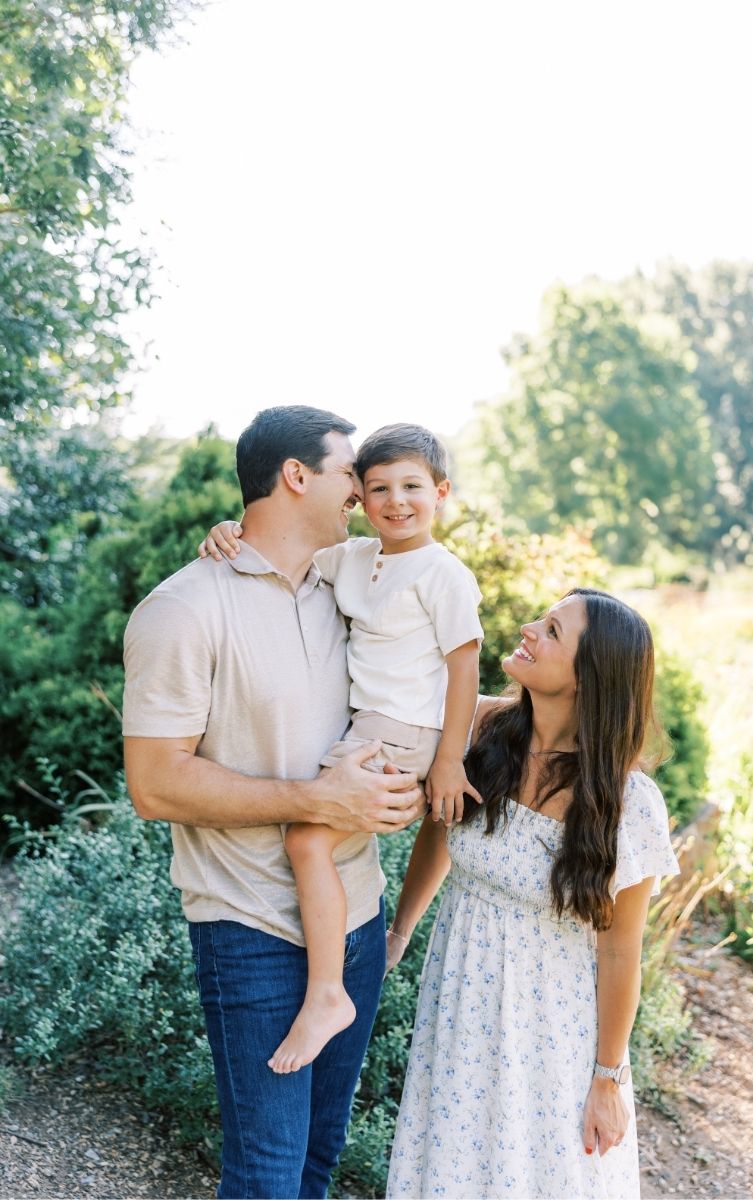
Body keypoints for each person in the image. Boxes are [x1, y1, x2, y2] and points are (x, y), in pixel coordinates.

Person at [123, 405, 426, 1200]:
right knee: (265, 1176)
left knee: (318, 1162)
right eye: (348, 475)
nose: (361, 493)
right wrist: (318, 799)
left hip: (357, 921)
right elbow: (154, 784)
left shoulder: (348, 584)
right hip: (251, 929)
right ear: (296, 477)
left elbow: (427, 674)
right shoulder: (184, 610)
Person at [199, 423, 483, 1075]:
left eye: (412, 486)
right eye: (378, 487)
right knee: (312, 841)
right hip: (366, 726)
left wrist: (449, 759)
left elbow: (465, 668)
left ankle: (328, 996)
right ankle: (338, 969)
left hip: (406, 732)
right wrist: (227, 530)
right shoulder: (355, 558)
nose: (396, 501)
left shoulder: (444, 575)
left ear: (441, 493)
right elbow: (280, 552)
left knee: (306, 840)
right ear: (360, 495)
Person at [385, 587, 680, 1199]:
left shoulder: (628, 806)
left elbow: (622, 952)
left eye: (549, 630)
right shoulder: (483, 726)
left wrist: (608, 1078)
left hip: (550, 1034)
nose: (525, 629)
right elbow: (443, 830)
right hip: (459, 1006)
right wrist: (400, 930)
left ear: (587, 676)